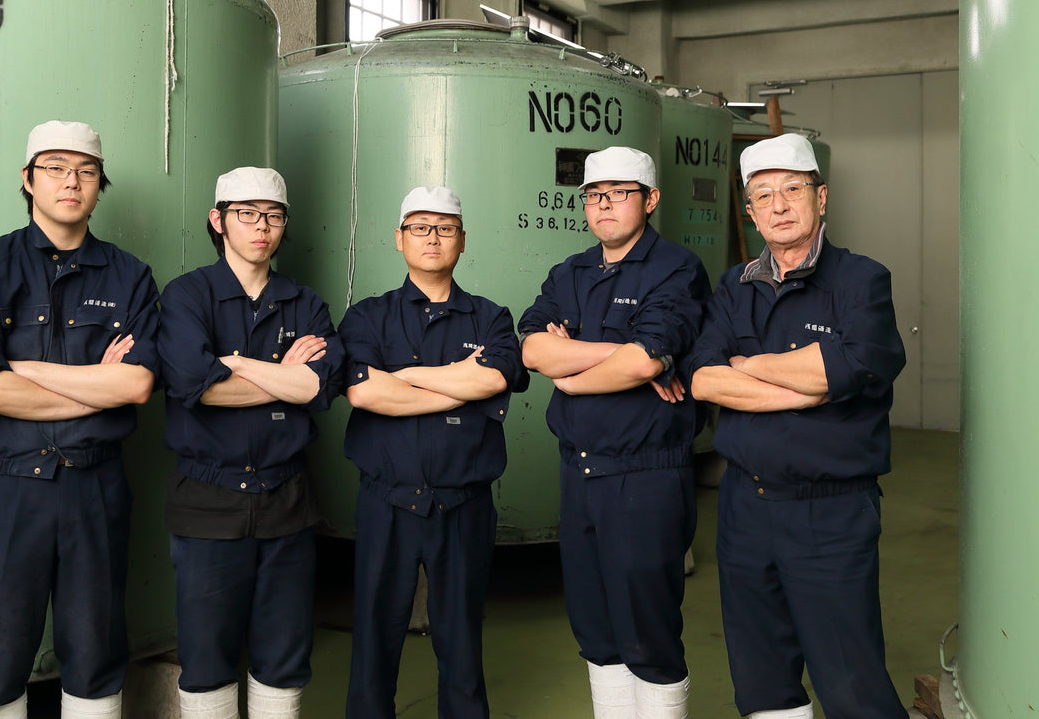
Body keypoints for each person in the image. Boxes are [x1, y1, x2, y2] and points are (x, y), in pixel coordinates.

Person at [686, 133, 907, 719]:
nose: (779, 205)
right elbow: (703, 380)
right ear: (750, 210)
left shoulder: (861, 281)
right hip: (744, 509)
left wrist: (747, 365)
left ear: (821, 197)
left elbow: (851, 368)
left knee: (851, 681)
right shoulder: (734, 286)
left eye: (793, 189)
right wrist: (804, 383)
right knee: (761, 678)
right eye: (763, 195)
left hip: (829, 510)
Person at [0, 121, 160, 719]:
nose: (72, 182)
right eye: (56, 168)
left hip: (96, 487)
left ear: (99, 185)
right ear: (28, 179)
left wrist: (21, 369)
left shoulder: (130, 275)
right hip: (5, 489)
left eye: (86, 171)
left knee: (96, 658)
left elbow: (137, 384)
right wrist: (98, 390)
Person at [518, 146, 710, 719]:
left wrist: (574, 373)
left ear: (650, 200)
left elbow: (646, 359)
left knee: (647, 630)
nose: (604, 205)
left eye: (620, 194)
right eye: (595, 196)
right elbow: (532, 349)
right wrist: (624, 355)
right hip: (578, 469)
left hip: (645, 472)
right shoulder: (570, 272)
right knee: (595, 626)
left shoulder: (676, 268)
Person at [157, 167, 343, 719]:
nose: (261, 226)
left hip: (288, 500)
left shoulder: (304, 303)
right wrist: (282, 376)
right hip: (206, 501)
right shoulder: (187, 295)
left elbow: (319, 386)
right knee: (206, 656)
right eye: (246, 214)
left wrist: (234, 364)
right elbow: (195, 386)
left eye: (274, 216)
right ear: (218, 221)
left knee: (284, 656)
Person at [340, 186, 528, 719]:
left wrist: (402, 377)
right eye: (420, 228)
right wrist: (457, 383)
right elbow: (364, 393)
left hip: (463, 505)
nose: (432, 238)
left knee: (462, 642)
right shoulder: (367, 316)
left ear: (462, 241)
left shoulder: (491, 317)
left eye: (445, 229)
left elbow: (496, 378)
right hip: (386, 503)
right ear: (399, 238)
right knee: (373, 642)